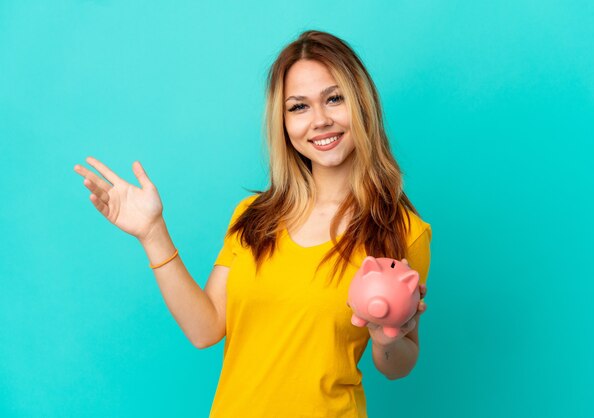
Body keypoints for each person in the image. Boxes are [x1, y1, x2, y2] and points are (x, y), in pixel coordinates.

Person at [73, 30, 432, 418]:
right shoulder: (254, 216)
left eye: (334, 98)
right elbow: (206, 328)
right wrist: (152, 233)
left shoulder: (402, 229)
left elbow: (399, 365)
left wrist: (384, 338)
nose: (320, 121)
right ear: (283, 121)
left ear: (361, 104)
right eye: (299, 107)